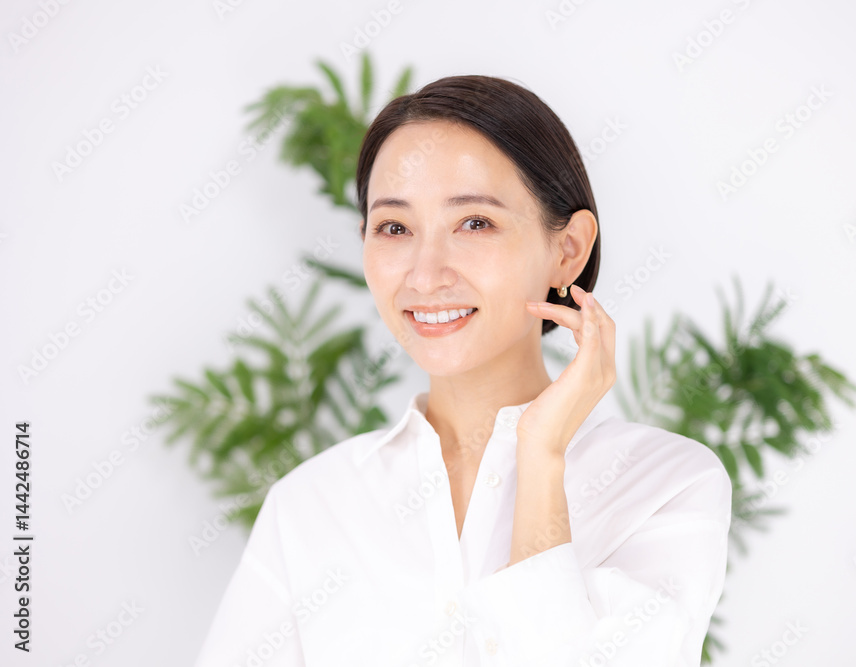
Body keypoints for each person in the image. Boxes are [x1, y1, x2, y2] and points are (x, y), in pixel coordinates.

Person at [193, 74, 731, 667]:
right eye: (395, 228)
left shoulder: (665, 485)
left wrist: (541, 452)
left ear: (568, 250)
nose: (426, 275)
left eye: (475, 223)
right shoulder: (310, 503)